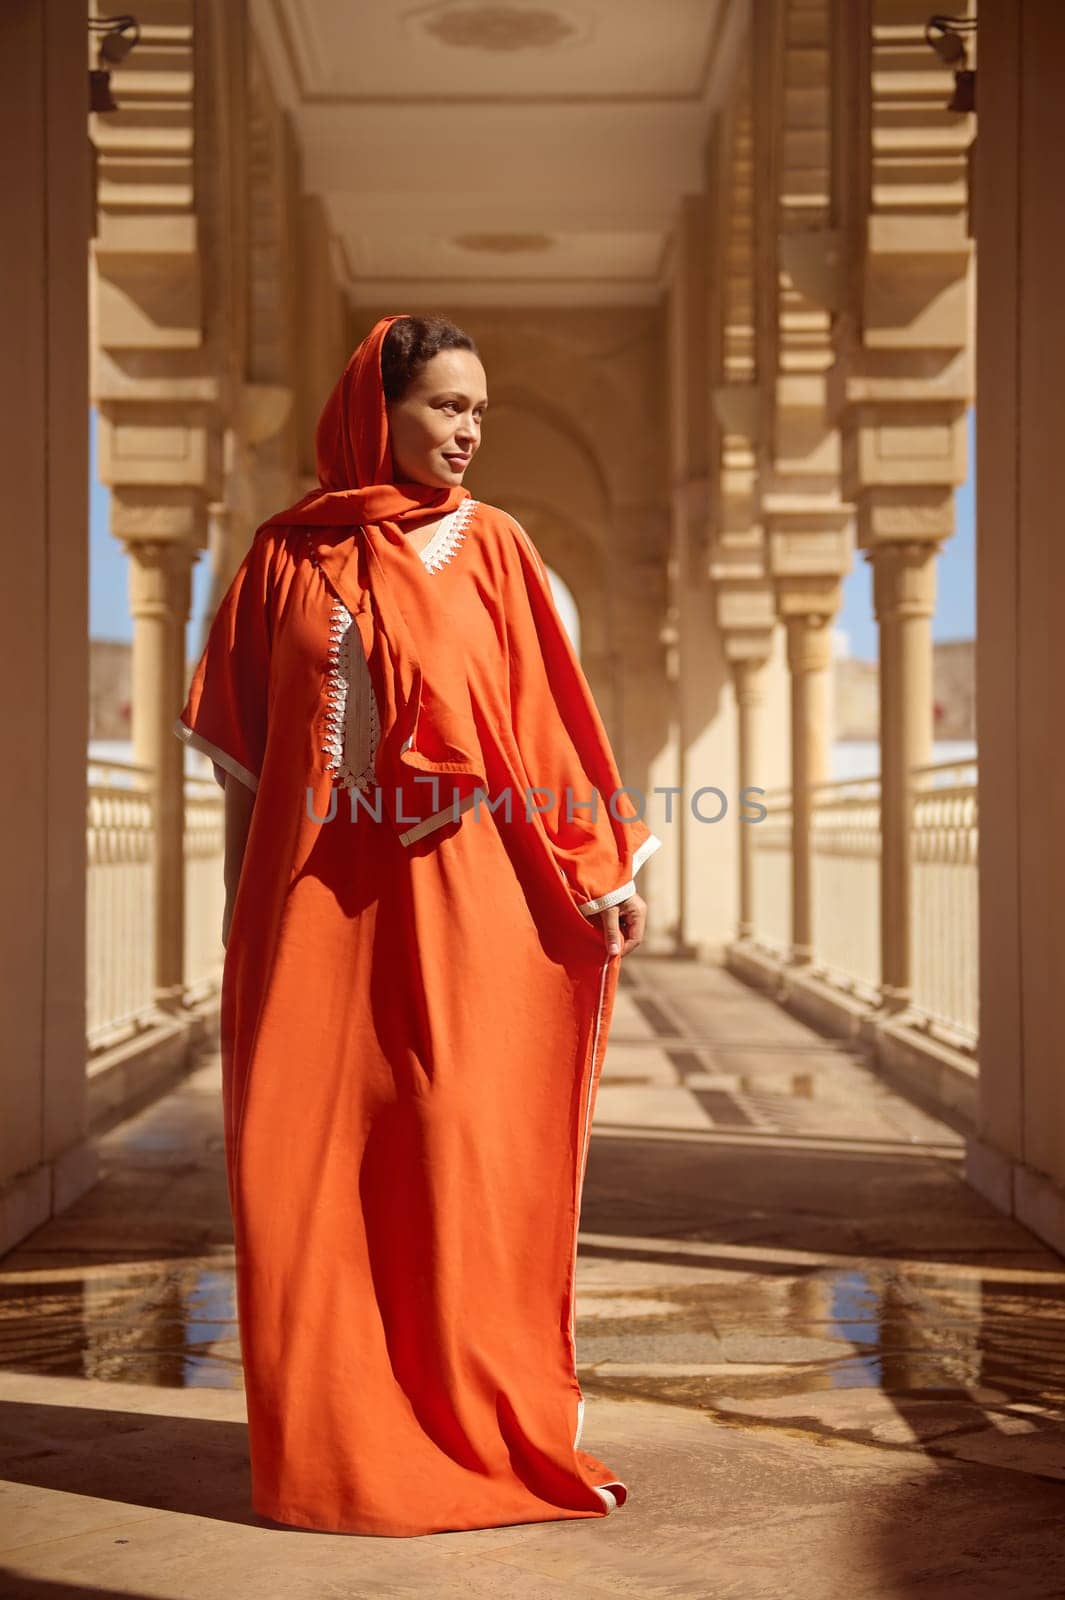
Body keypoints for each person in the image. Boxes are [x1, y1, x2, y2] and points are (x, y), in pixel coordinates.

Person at [173, 312, 662, 1537]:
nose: (469, 431)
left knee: (449, 1148)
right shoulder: (283, 559)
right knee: (300, 1174)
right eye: (446, 406)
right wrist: (245, 933)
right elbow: (246, 762)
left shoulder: (490, 547)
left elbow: (546, 719)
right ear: (375, 410)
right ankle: (327, 1453)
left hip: (460, 906)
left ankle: (460, 1424)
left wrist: (597, 868)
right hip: (308, 915)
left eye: (480, 410)